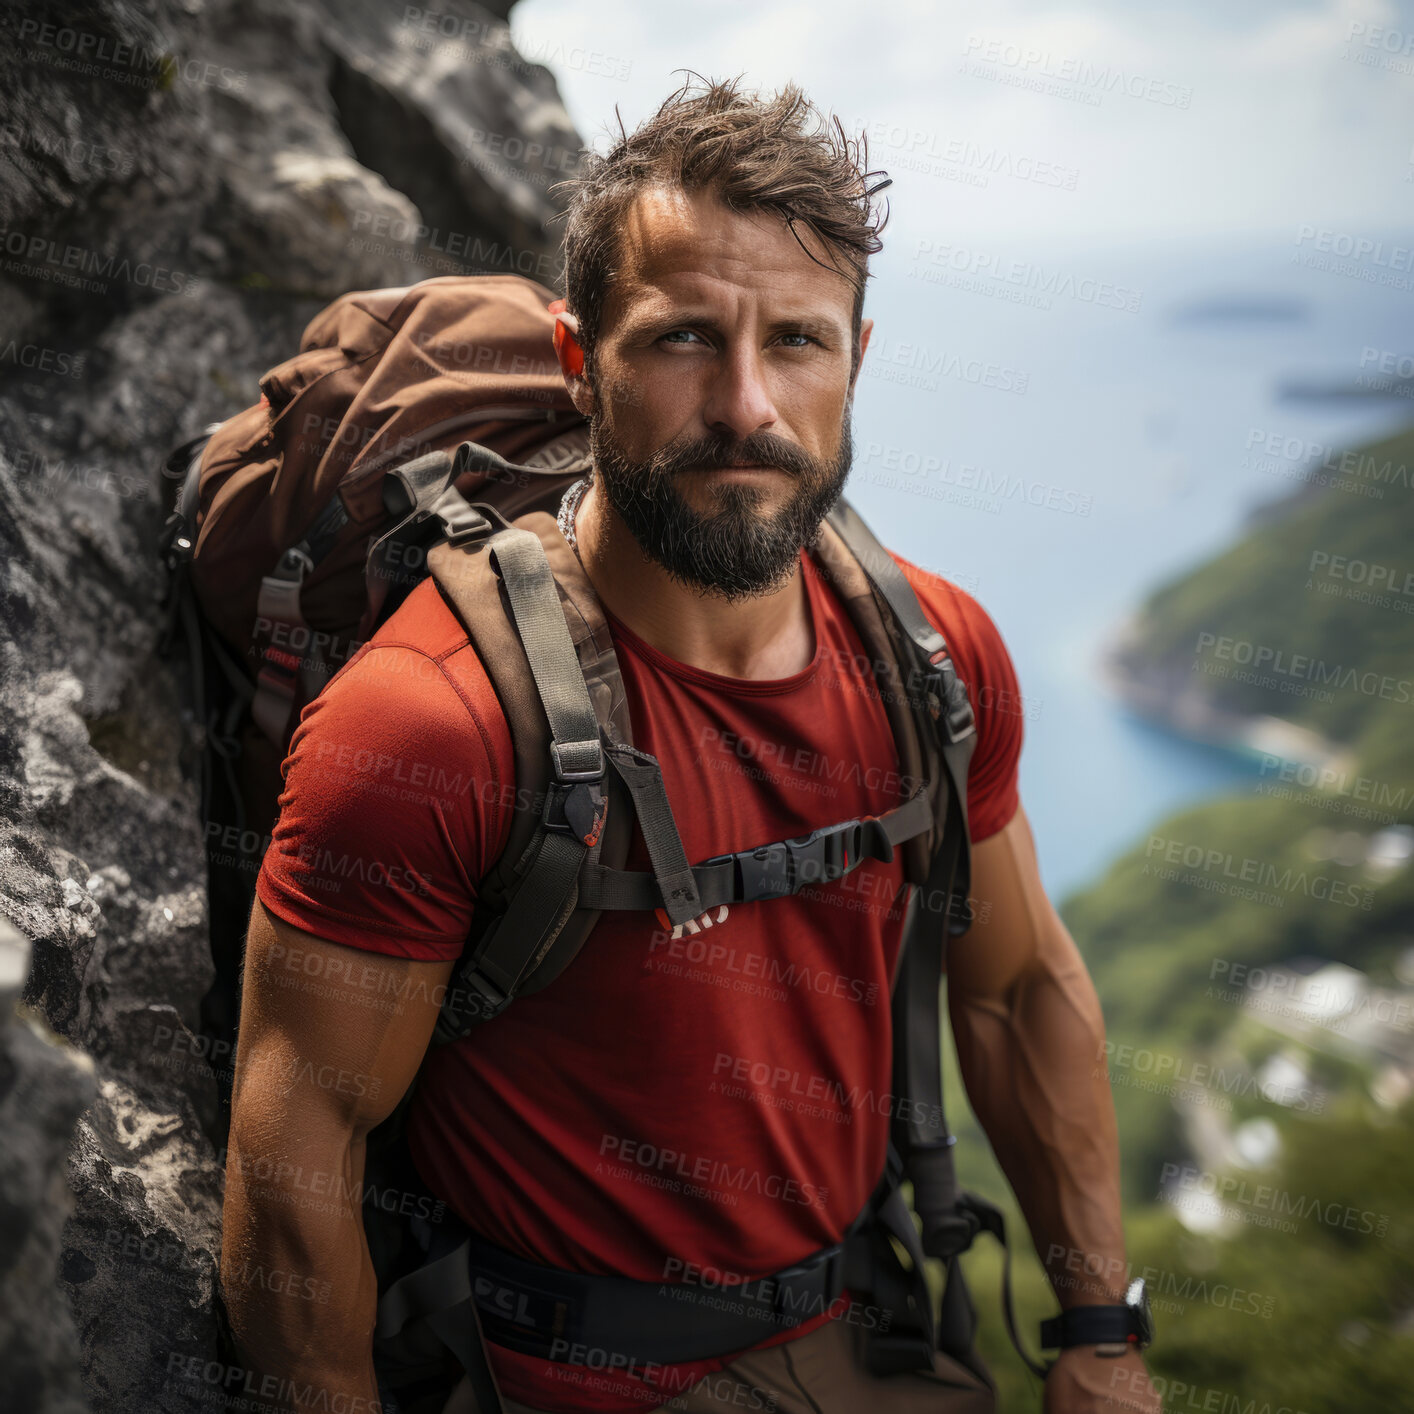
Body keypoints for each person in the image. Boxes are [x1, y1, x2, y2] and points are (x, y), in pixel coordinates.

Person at [220, 76, 1161, 1414]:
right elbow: (294, 1157)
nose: (745, 404)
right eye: (678, 342)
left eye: (795, 341)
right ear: (575, 358)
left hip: (867, 1325)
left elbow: (1013, 989)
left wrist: (1097, 1326)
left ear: (856, 358)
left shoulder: (935, 659)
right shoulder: (431, 719)